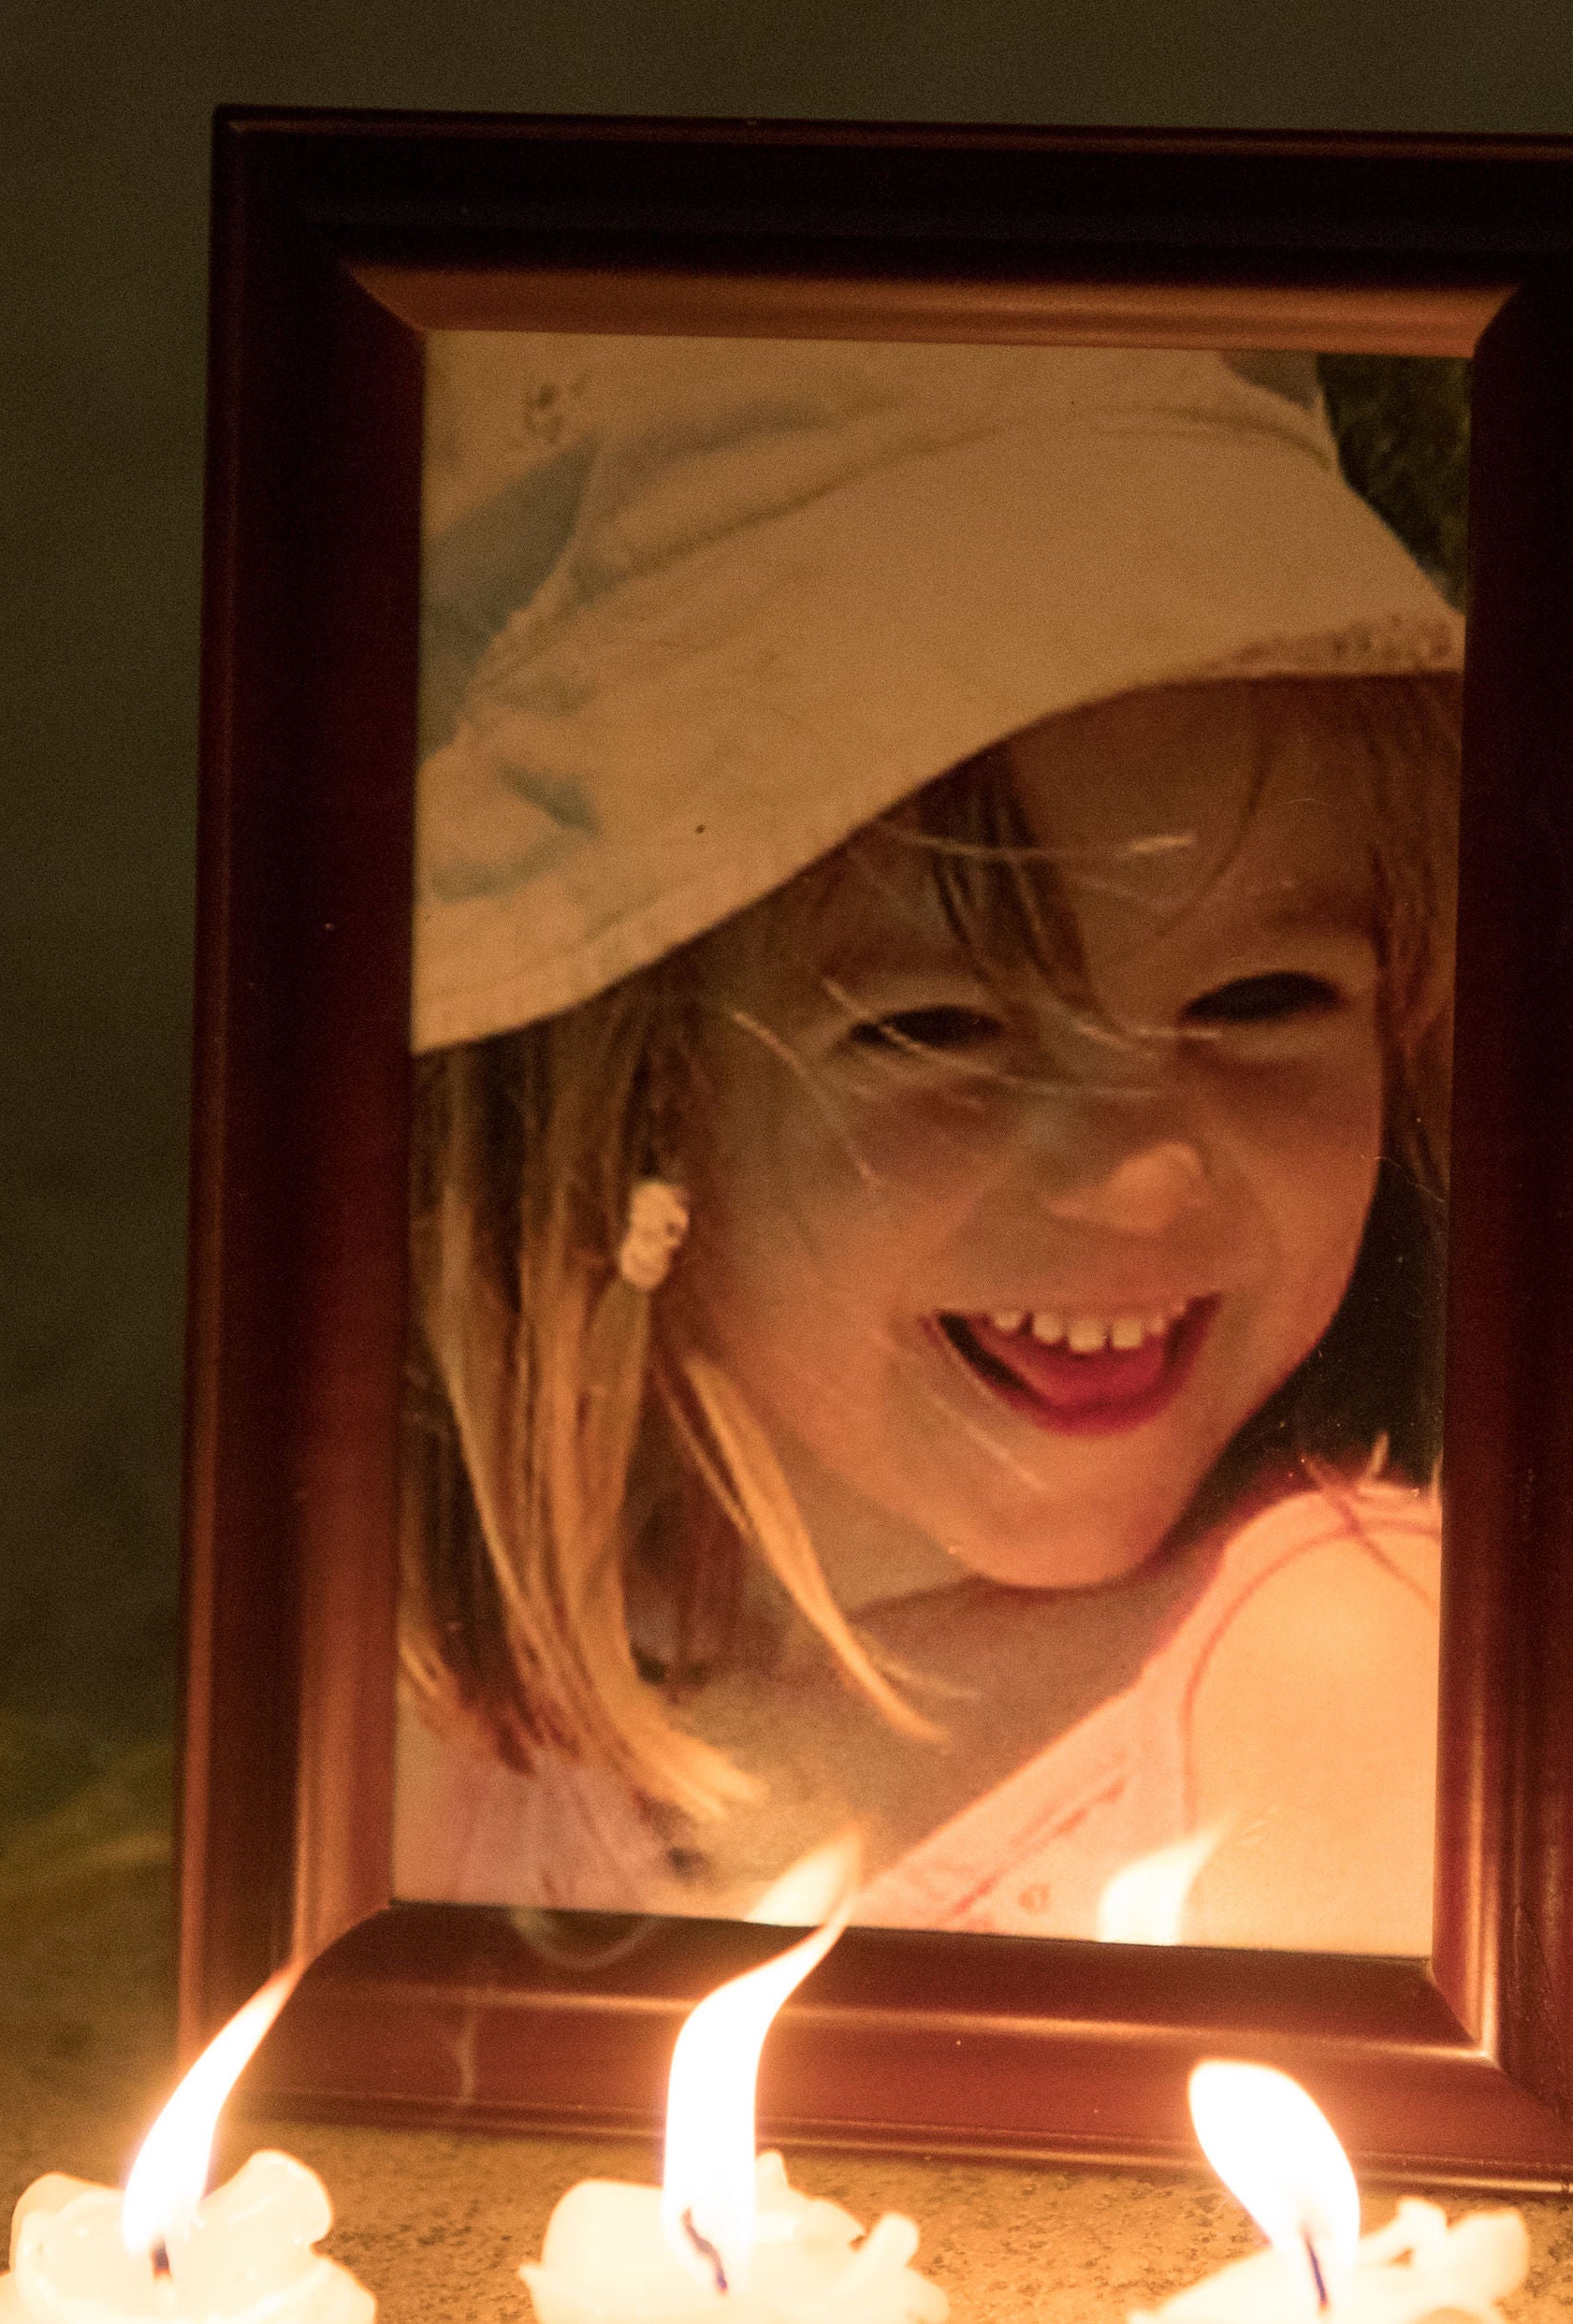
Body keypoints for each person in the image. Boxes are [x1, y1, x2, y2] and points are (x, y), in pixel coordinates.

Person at [391, 332, 1463, 1954]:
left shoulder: (1345, 1685)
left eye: (1258, 997)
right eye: (935, 1028)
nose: (1146, 1176)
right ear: (633, 1098)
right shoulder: (455, 1705)